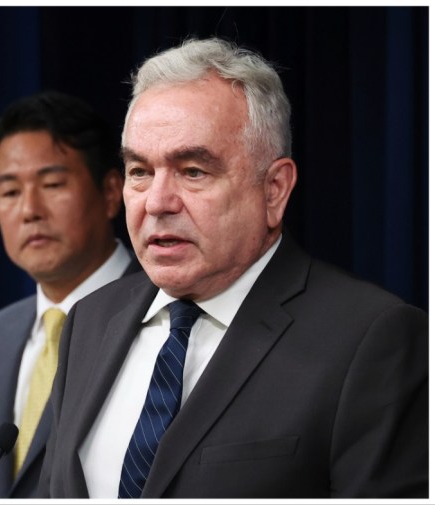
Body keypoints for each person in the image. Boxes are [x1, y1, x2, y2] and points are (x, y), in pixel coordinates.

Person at [38, 38, 428, 498]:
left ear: (274, 190)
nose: (157, 203)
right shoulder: (90, 319)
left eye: (193, 171)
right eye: (140, 171)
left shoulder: (370, 339)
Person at [0, 91, 141, 498]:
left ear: (110, 191)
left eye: (51, 184)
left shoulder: (164, 314)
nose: (30, 209)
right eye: (10, 192)